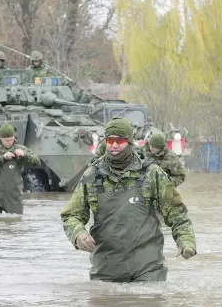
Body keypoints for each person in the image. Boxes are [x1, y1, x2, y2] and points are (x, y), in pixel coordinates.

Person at [60, 117, 196, 282]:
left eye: (120, 140)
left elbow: (177, 213)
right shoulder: (92, 175)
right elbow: (71, 215)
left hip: (148, 268)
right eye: (110, 140)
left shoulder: (151, 173)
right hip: (106, 269)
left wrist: (185, 241)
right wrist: (78, 234)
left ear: (130, 142)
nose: (114, 145)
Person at [0, 124, 41, 214]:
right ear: (0, 139)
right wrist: (3, 158)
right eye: (6, 140)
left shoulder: (20, 149)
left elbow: (37, 162)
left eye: (11, 139)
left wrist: (24, 154)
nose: (9, 142)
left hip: (14, 197)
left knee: (16, 222)